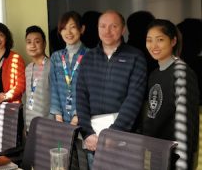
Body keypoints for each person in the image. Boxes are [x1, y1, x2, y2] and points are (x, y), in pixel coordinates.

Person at [76, 10, 147, 169]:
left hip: (124, 140)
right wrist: (87, 133)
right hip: (93, 140)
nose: (107, 31)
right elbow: (80, 97)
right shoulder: (88, 58)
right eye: (103, 26)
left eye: (113, 26)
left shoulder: (136, 57)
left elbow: (134, 100)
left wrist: (112, 134)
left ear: (123, 30)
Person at [143, 19, 199, 170]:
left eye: (160, 40)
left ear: (173, 41)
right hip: (157, 151)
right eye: (149, 40)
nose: (153, 46)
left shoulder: (181, 72)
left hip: (175, 156)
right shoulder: (154, 74)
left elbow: (186, 124)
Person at [50, 11, 88, 125]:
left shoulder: (90, 56)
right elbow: (54, 87)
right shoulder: (56, 57)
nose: (68, 32)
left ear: (82, 29)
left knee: (82, 143)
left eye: (73, 27)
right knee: (60, 144)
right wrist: (58, 116)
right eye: (64, 28)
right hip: (60, 119)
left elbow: (91, 89)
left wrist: (77, 116)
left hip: (84, 118)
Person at [24, 25, 51, 130]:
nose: (32, 45)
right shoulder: (28, 68)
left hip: (48, 125)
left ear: (44, 44)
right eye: (29, 42)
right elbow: (27, 98)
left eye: (37, 41)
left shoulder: (52, 66)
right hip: (30, 125)